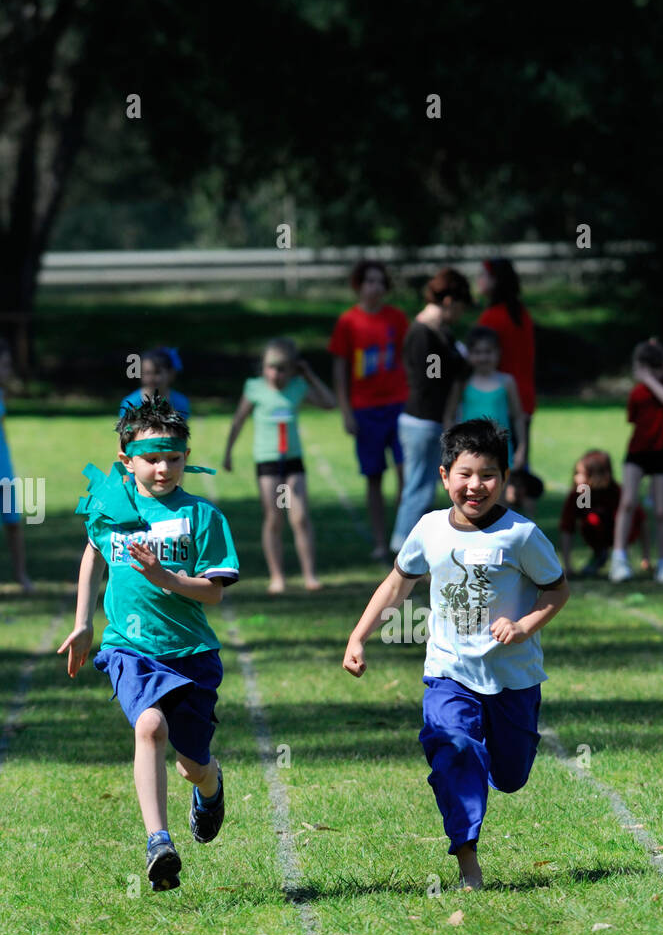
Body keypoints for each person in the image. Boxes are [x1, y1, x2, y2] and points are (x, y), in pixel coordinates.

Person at [344, 417, 569, 891]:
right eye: (465, 474)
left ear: (504, 479)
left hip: (513, 678)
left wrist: (525, 624)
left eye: (488, 474)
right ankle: (468, 863)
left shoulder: (521, 536)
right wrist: (358, 636)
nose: (476, 485)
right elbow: (395, 585)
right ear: (444, 476)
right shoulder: (428, 529)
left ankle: (486, 765)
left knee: (509, 776)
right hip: (449, 671)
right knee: (454, 749)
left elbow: (556, 590)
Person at [58, 395, 239, 892]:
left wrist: (168, 578)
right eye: (152, 459)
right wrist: (83, 622)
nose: (163, 468)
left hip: (192, 654)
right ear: (127, 460)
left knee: (191, 765)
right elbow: (92, 555)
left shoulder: (203, 516)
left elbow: (216, 593)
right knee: (150, 726)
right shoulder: (112, 506)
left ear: (186, 457)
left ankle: (211, 785)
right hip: (128, 648)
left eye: (174, 459)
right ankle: (158, 841)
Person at [223, 337, 335, 593]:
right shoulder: (254, 388)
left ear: (294, 368)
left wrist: (309, 376)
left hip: (293, 461)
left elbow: (330, 403)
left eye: (283, 368)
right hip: (268, 461)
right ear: (263, 367)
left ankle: (310, 574)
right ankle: (277, 576)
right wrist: (228, 453)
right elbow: (238, 420)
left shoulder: (297, 387)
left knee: (300, 517)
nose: (276, 374)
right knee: (274, 518)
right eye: (271, 367)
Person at [329, 259, 408, 561]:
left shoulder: (397, 319)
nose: (375, 287)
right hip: (365, 409)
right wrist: (346, 411)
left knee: (406, 474)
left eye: (379, 282)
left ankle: (404, 537)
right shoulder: (348, 322)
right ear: (359, 286)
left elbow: (410, 359)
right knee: (374, 477)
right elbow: (341, 368)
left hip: (399, 405)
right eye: (369, 281)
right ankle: (379, 540)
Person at [389, 268, 472, 553]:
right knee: (419, 490)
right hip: (423, 421)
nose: (460, 314)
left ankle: (411, 549)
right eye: (459, 307)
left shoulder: (441, 333)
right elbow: (431, 379)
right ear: (448, 301)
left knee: (426, 489)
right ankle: (404, 550)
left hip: (434, 420)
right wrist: (457, 364)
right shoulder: (423, 335)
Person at [611, 340, 663, 584]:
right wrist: (646, 383)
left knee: (662, 510)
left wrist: (650, 380)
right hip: (637, 453)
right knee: (629, 502)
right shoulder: (637, 393)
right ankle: (619, 558)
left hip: (661, 454)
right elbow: (633, 419)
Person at [477, 258, 539, 512]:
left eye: (483, 275)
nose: (478, 280)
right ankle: (528, 531)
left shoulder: (492, 318)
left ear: (495, 281)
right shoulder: (521, 314)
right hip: (525, 400)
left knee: (496, 472)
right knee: (518, 471)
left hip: (500, 401)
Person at [444, 326, 527, 475]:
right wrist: (450, 446)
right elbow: (449, 416)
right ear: (469, 354)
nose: (483, 357)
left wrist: (521, 448)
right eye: (477, 352)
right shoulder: (463, 382)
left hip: (500, 450)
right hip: (467, 451)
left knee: (500, 496)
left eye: (488, 352)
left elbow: (518, 417)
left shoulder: (507, 382)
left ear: (498, 352)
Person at [559, 449, 649, 578]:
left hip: (619, 535)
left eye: (581, 474)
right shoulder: (580, 495)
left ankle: (620, 556)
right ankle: (599, 553)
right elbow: (566, 527)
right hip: (596, 536)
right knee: (591, 519)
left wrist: (646, 557)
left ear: (596, 475)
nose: (576, 478)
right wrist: (567, 565)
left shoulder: (617, 493)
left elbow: (641, 520)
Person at [0, 339, 33, 591]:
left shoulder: (1, 392)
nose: (8, 370)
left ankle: (21, 576)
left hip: (4, 468)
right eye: (5, 365)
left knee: (13, 523)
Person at [120, 347, 190, 419]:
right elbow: (126, 428)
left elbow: (181, 428)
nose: (151, 378)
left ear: (171, 374)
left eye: (157, 372)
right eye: (147, 373)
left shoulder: (180, 402)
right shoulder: (131, 403)